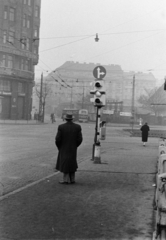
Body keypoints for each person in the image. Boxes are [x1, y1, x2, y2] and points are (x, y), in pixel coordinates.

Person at [55, 114, 83, 184]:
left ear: (65, 119)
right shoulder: (77, 127)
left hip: (63, 147)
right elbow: (80, 139)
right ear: (72, 119)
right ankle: (72, 179)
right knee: (72, 162)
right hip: (73, 147)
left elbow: (57, 139)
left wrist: (60, 147)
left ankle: (65, 179)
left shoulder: (61, 127)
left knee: (64, 162)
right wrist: (75, 145)